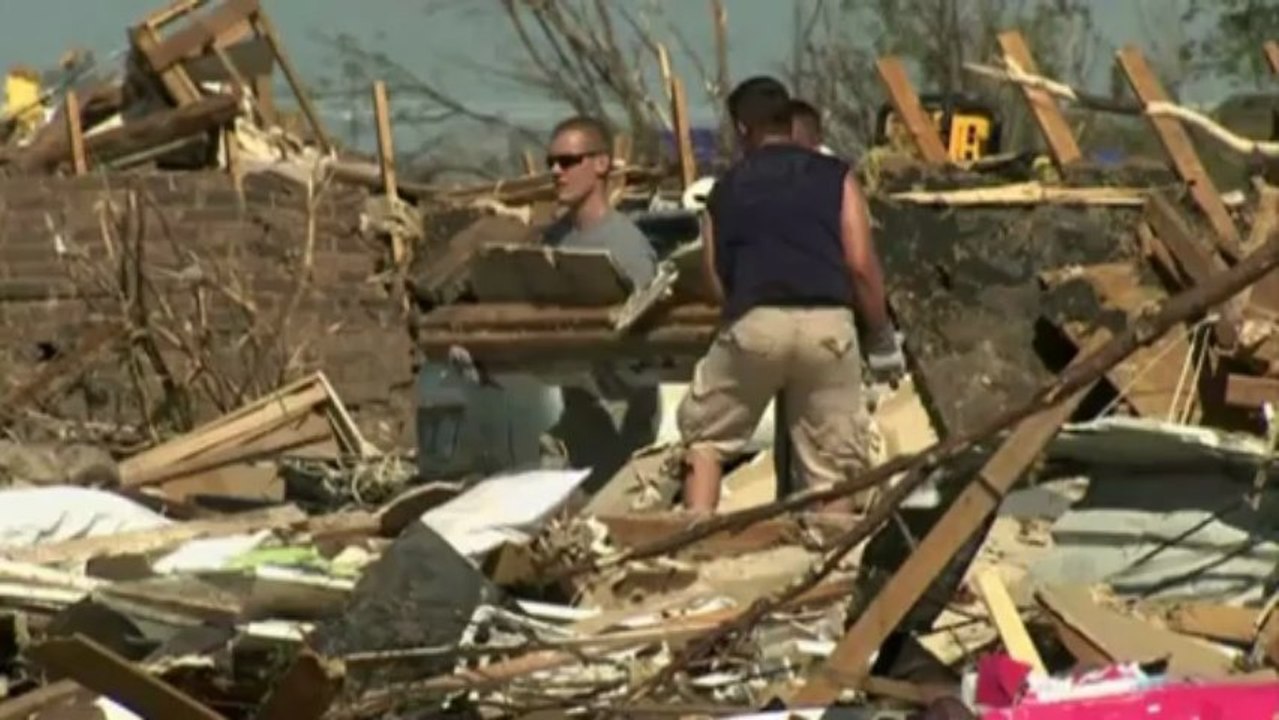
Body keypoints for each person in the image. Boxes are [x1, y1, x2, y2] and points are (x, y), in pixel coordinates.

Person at [677, 76, 903, 514]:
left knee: (705, 439)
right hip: (829, 328)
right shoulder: (838, 178)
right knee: (832, 466)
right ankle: (832, 568)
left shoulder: (725, 189)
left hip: (757, 322)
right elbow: (860, 264)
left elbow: (715, 279)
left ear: (743, 129)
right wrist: (880, 336)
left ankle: (693, 543)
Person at [541, 115, 661, 494]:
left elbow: (652, 329)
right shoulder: (553, 239)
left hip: (619, 416)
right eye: (552, 163)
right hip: (572, 412)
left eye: (568, 161)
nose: (557, 172)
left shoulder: (626, 245)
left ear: (601, 164)